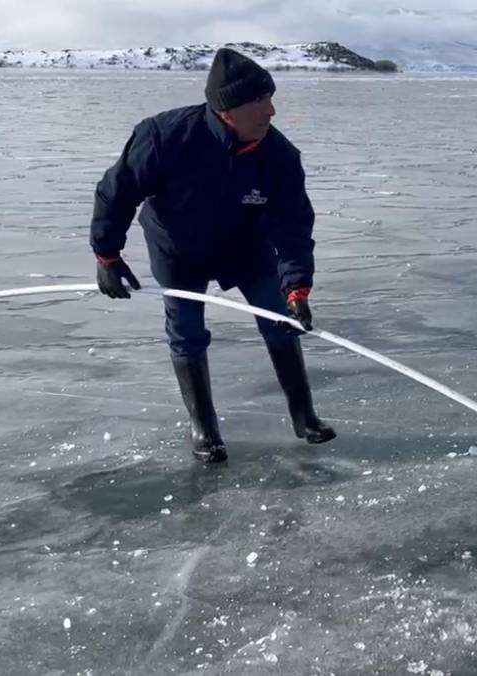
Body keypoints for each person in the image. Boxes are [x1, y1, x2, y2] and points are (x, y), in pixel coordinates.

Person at [89, 47, 335, 464]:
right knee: (186, 331)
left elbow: (292, 225)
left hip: (246, 247)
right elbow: (118, 191)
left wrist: (297, 286)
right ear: (227, 110)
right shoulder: (164, 136)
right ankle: (204, 428)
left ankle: (304, 415)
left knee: (281, 321)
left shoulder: (279, 156)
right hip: (178, 250)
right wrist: (107, 255)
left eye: (270, 97)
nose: (270, 110)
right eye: (259, 101)